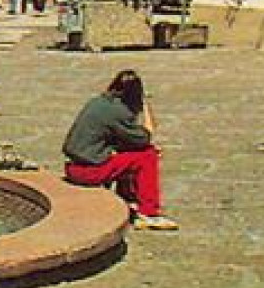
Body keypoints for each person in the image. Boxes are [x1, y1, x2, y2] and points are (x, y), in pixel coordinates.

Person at [62, 69, 178, 230]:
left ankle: (127, 198)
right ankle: (148, 213)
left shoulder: (99, 102)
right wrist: (145, 105)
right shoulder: (118, 112)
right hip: (88, 172)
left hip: (74, 166)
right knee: (148, 156)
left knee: (133, 153)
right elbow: (146, 135)